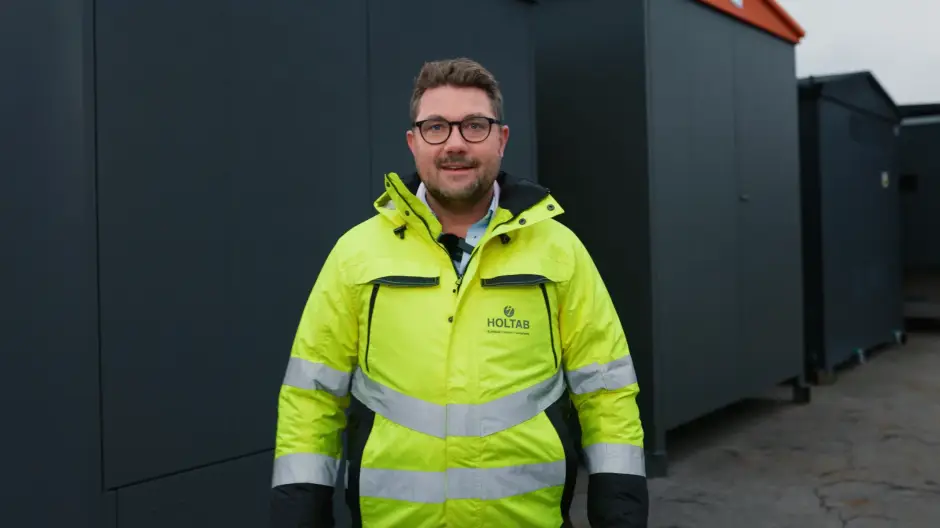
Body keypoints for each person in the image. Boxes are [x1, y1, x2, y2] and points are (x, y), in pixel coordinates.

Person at [270, 57, 648, 527]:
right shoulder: (356, 255)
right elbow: (313, 397)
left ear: (501, 139)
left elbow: (607, 391)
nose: (454, 143)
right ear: (413, 142)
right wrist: (299, 516)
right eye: (435, 127)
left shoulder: (560, 251)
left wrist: (620, 512)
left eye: (474, 125)